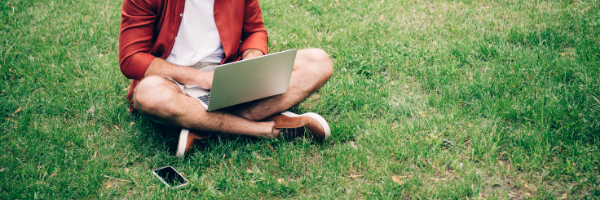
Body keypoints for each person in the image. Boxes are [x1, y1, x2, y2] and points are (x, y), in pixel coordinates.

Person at [119, 0, 333, 157]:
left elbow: (255, 31)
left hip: (228, 73)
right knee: (149, 94)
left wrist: (251, 58)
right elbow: (131, 58)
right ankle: (265, 129)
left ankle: (202, 127)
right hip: (172, 81)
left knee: (318, 62)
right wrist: (199, 78)